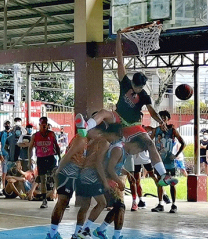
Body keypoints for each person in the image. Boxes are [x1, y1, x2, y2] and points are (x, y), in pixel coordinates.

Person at [74, 31, 177, 188]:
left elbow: (152, 112)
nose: (136, 89)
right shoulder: (126, 83)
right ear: (133, 82)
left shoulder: (144, 96)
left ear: (142, 86)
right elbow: (120, 62)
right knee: (103, 112)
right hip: (118, 116)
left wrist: (161, 121)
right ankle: (85, 127)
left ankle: (163, 175)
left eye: (139, 88)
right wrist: (119, 39)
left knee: (150, 144)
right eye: (135, 86)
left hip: (133, 124)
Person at [43, 122, 114, 239]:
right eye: (98, 133)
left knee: (68, 204)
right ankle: (52, 235)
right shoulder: (81, 140)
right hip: (66, 173)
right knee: (62, 203)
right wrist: (58, 174)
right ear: (92, 129)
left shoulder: (87, 141)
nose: (98, 136)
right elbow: (67, 157)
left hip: (73, 175)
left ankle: (71, 234)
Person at [91, 133, 147, 239]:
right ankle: (115, 237)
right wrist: (119, 181)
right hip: (105, 179)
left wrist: (126, 172)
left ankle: (101, 230)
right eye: (137, 150)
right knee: (120, 207)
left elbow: (115, 165)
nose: (136, 153)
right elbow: (110, 168)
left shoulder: (122, 150)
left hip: (108, 179)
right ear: (134, 144)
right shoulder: (118, 150)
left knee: (118, 207)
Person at [71, 124, 123, 239]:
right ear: (112, 134)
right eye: (116, 137)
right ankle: (85, 230)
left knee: (85, 205)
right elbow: (99, 162)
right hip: (91, 174)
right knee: (102, 203)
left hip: (82, 173)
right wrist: (104, 181)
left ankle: (76, 234)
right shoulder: (105, 142)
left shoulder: (93, 141)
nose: (116, 140)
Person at [153, 110, 186, 213]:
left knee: (172, 182)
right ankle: (160, 203)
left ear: (168, 119)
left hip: (169, 161)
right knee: (160, 182)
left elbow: (183, 143)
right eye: (160, 117)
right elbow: (148, 142)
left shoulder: (172, 130)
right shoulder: (156, 131)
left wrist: (175, 155)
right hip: (159, 161)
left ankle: (174, 204)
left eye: (164, 117)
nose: (162, 119)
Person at [28, 116, 62, 209]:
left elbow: (56, 146)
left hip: (50, 157)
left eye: (46, 125)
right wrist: (29, 159)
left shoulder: (51, 134)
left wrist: (59, 157)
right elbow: (30, 148)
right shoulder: (35, 136)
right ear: (39, 125)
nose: (44, 127)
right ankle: (44, 200)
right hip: (41, 158)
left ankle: (60, 197)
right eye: (43, 125)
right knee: (43, 179)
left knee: (56, 176)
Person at [2, 125, 22, 196]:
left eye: (19, 130)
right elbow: (5, 147)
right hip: (11, 160)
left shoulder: (22, 138)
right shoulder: (9, 138)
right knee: (9, 175)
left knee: (20, 175)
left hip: (20, 161)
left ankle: (18, 190)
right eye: (17, 130)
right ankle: (9, 190)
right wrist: (10, 153)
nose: (18, 131)